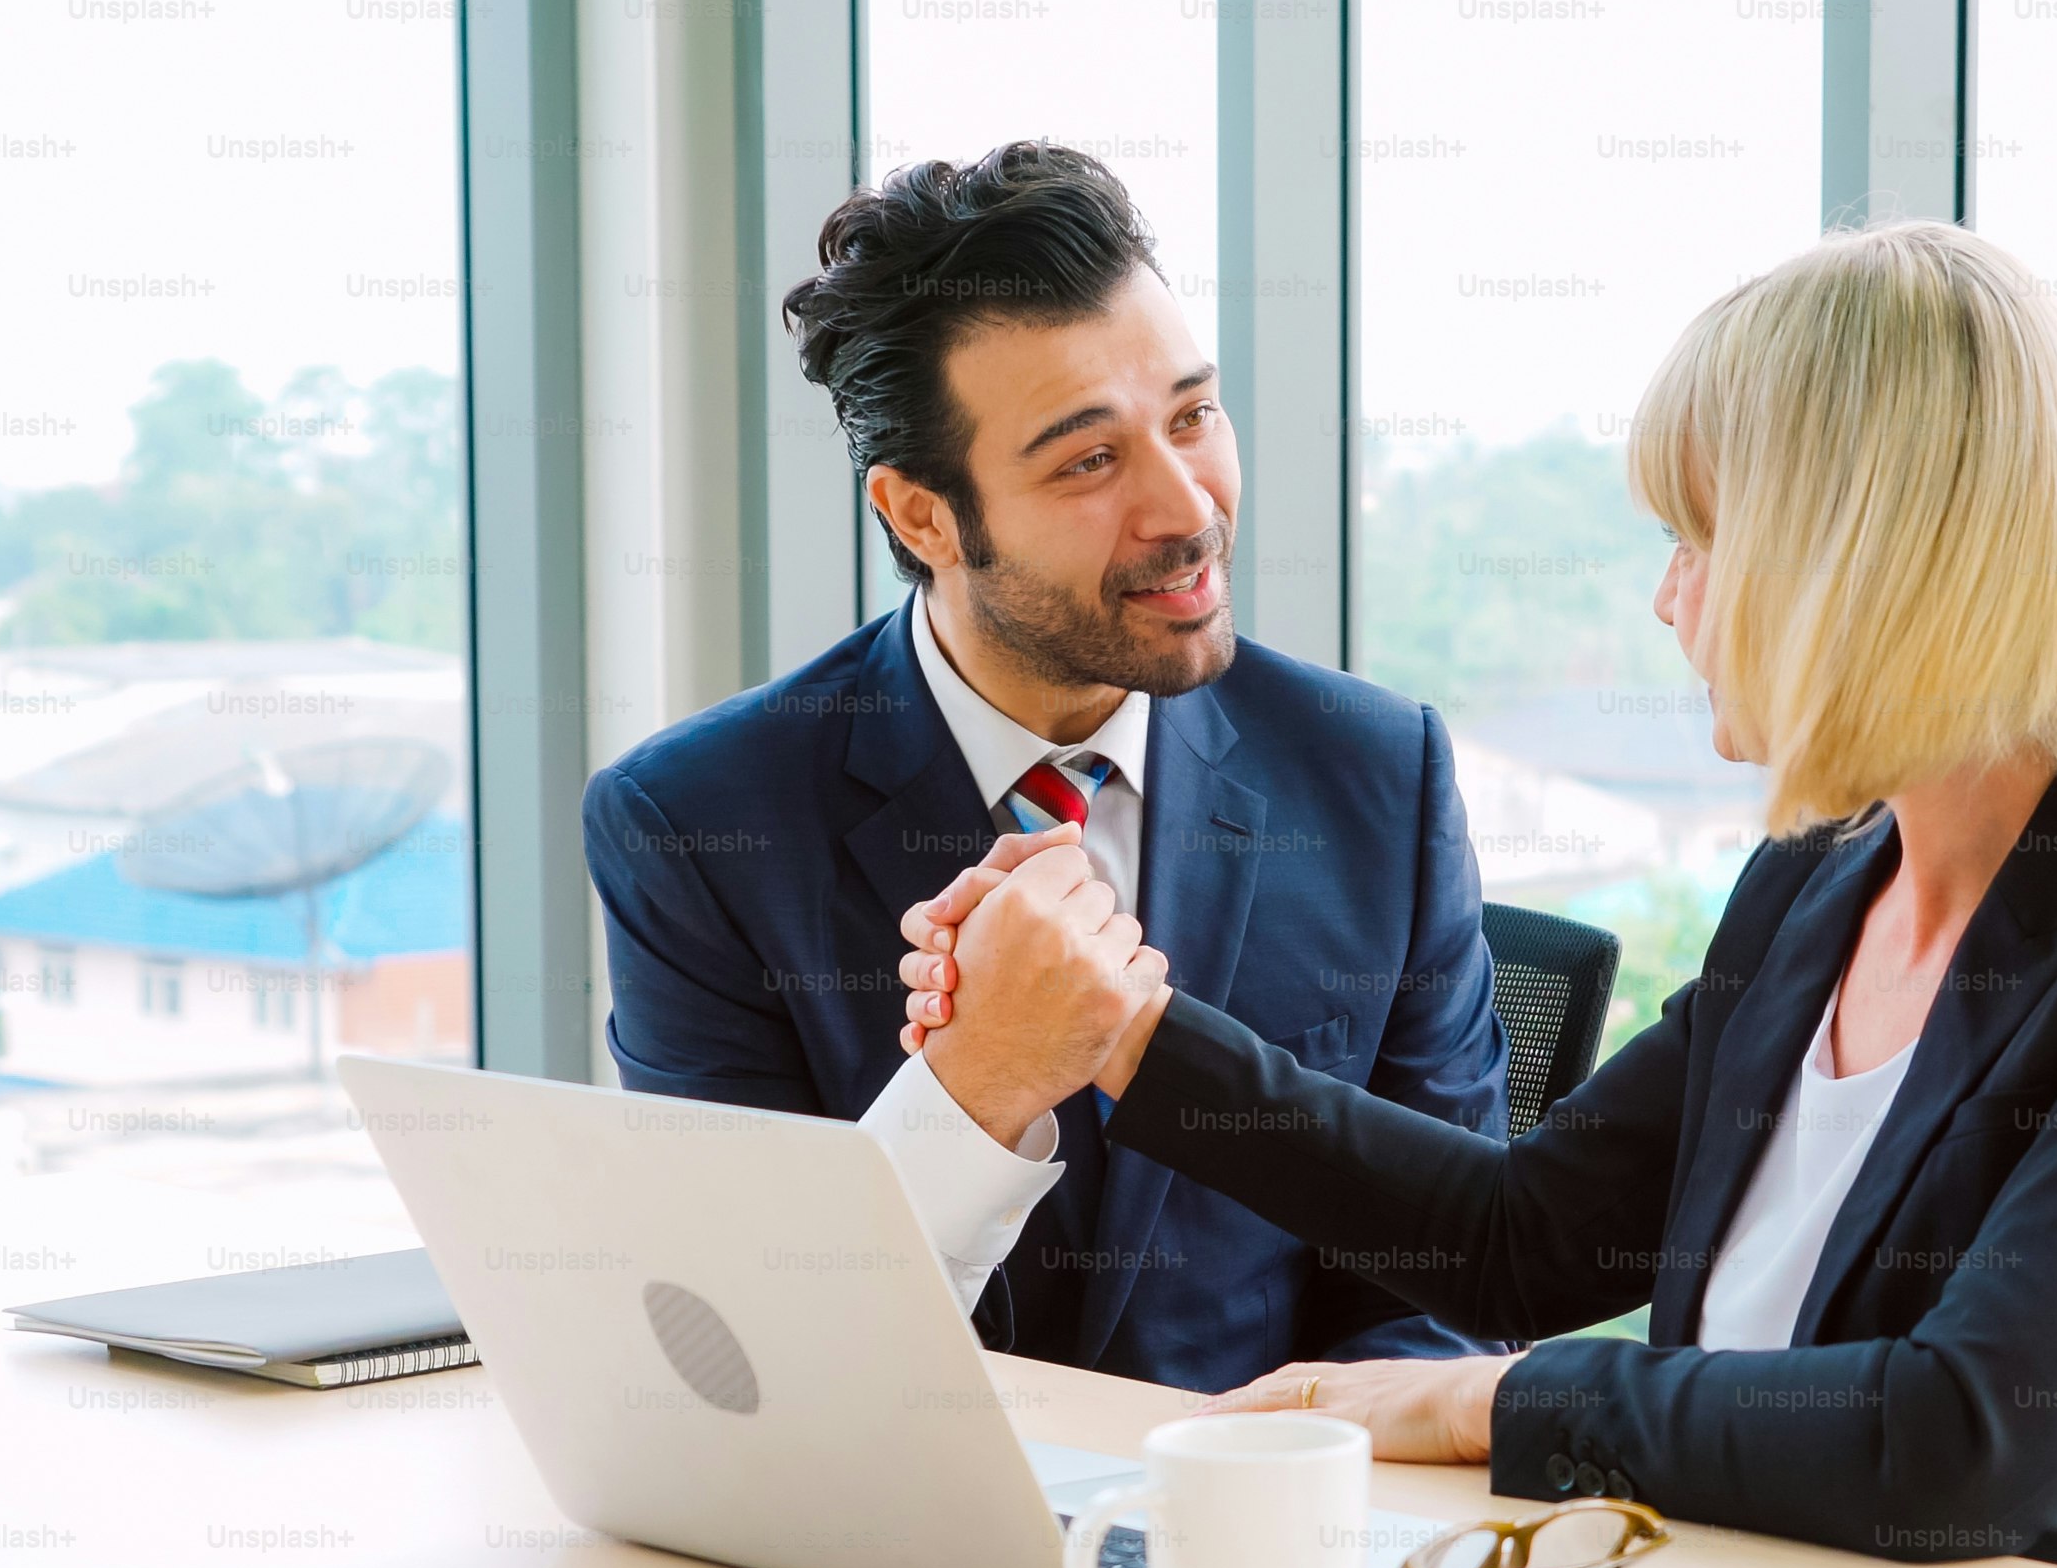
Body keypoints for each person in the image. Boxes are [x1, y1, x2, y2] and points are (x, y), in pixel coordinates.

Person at [892, 220, 2057, 1568]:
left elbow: (1967, 1437)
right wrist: (1125, 1033)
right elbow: (1522, 1233)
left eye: (1700, 543)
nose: (1669, 600)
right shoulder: (1824, 879)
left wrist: (1486, 1400)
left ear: (1859, 567)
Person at [584, 142, 1509, 1391]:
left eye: (1191, 417)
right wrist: (978, 1085)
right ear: (922, 515)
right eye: (1087, 461)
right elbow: (736, 1344)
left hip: (1272, 1531)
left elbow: (1450, 1285)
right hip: (896, 1546)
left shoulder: (1372, 774)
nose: (1185, 507)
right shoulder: (696, 824)